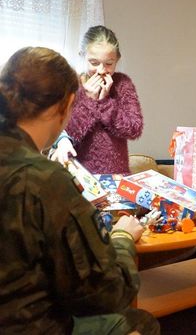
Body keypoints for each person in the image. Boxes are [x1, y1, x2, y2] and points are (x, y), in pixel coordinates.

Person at [0, 47, 159, 334]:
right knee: (140, 322)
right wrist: (123, 238)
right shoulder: (45, 180)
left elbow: (131, 126)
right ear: (67, 104)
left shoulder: (123, 86)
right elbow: (105, 292)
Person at [51, 25, 143, 174]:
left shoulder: (122, 84)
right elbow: (65, 133)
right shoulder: (72, 85)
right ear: (82, 55)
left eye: (108, 64)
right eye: (94, 63)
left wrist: (105, 102)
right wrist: (90, 100)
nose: (101, 70)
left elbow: (134, 129)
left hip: (117, 175)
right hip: (79, 175)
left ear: (117, 60)